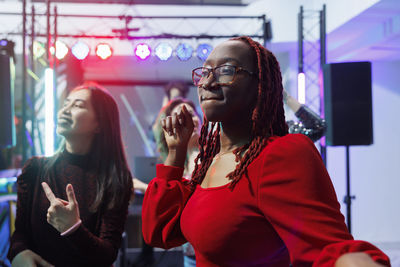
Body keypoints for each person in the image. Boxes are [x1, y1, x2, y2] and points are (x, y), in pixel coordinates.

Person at [141, 36, 390, 266]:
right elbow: (159, 231)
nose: (208, 82)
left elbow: (331, 247)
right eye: (205, 72)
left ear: (260, 85)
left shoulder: (281, 154)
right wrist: (175, 154)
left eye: (226, 70)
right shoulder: (209, 160)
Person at [8, 83, 133, 267]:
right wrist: (20, 255)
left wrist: (73, 228)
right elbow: (19, 237)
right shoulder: (34, 170)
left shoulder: (114, 180)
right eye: (66, 104)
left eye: (78, 105)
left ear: (99, 124)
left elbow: (107, 254)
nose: (65, 110)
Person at [134, 98, 201, 267]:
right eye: (179, 118)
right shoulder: (181, 164)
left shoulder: (215, 156)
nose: (186, 122)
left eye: (191, 115)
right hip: (190, 256)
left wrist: (142, 186)